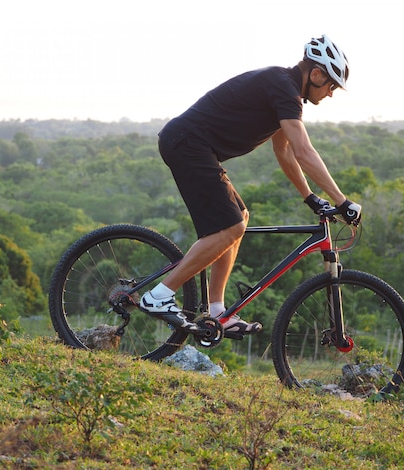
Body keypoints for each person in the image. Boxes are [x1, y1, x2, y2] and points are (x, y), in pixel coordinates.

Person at [140, 35, 362, 334]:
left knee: (239, 219)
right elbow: (304, 151)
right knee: (230, 226)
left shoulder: (285, 89)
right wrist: (342, 200)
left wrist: (309, 196)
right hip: (187, 143)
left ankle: (217, 312)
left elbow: (283, 149)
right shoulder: (283, 87)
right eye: (331, 85)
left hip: (192, 145)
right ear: (316, 74)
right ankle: (160, 295)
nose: (331, 93)